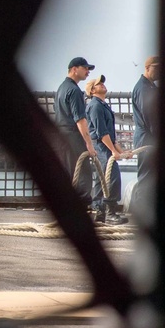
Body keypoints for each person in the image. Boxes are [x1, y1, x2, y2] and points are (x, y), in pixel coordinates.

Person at [84, 74, 128, 224]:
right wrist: (114, 152)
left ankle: (100, 212)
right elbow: (102, 132)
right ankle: (110, 213)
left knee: (102, 178)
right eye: (98, 84)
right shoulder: (95, 106)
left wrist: (121, 152)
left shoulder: (102, 105)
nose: (102, 84)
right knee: (112, 176)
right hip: (101, 145)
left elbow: (110, 134)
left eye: (102, 82)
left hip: (104, 144)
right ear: (92, 90)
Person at [55, 57, 97, 202]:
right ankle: (84, 206)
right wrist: (89, 145)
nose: (88, 72)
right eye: (85, 68)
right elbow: (80, 120)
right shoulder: (74, 91)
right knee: (83, 171)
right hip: (72, 134)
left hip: (61, 135)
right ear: (74, 69)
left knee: (68, 170)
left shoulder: (61, 88)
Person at [131, 56, 159, 175]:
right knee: (146, 176)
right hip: (146, 138)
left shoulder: (151, 86)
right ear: (147, 68)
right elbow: (150, 116)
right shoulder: (144, 89)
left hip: (148, 136)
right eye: (156, 68)